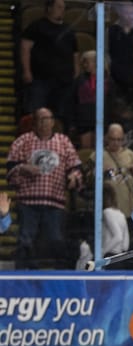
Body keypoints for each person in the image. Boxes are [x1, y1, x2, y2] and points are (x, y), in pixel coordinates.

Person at [7, 107, 83, 269]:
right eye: (40, 119)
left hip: (54, 202)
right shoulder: (23, 141)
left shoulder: (63, 141)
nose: (44, 123)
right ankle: (22, 278)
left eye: (47, 119)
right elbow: (10, 168)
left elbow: (75, 167)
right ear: (34, 122)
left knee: (55, 240)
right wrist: (23, 168)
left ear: (53, 121)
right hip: (28, 201)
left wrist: (73, 177)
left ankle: (57, 278)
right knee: (25, 241)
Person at [21, 0, 79, 131]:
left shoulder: (68, 29)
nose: (62, 10)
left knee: (60, 113)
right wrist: (26, 71)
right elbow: (25, 48)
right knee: (36, 112)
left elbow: (75, 52)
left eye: (63, 8)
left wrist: (76, 69)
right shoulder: (36, 26)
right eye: (58, 7)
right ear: (49, 8)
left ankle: (58, 140)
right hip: (41, 78)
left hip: (63, 80)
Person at [89, 123, 133, 218]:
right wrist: (98, 173)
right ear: (107, 138)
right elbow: (89, 180)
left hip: (128, 206)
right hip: (107, 208)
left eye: (119, 139)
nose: (116, 143)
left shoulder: (131, 155)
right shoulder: (98, 156)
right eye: (113, 139)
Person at [71, 50, 113, 149]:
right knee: (86, 150)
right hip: (83, 120)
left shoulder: (108, 80)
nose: (85, 65)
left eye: (87, 62)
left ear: (96, 62)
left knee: (99, 149)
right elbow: (73, 100)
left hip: (102, 120)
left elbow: (111, 102)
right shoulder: (79, 80)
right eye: (83, 62)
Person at [101, 182, 130, 268]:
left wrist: (101, 253)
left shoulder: (107, 213)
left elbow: (118, 237)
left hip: (109, 257)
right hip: (119, 259)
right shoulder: (121, 214)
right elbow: (125, 245)